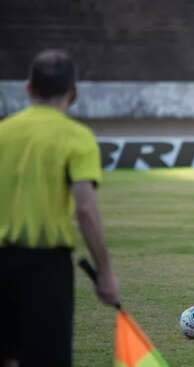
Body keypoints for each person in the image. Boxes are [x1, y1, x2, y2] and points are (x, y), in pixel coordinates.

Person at [0, 49, 120, 366]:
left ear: (28, 88)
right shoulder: (77, 138)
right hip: (46, 268)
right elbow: (85, 210)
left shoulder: (3, 133)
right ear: (73, 93)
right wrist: (105, 272)